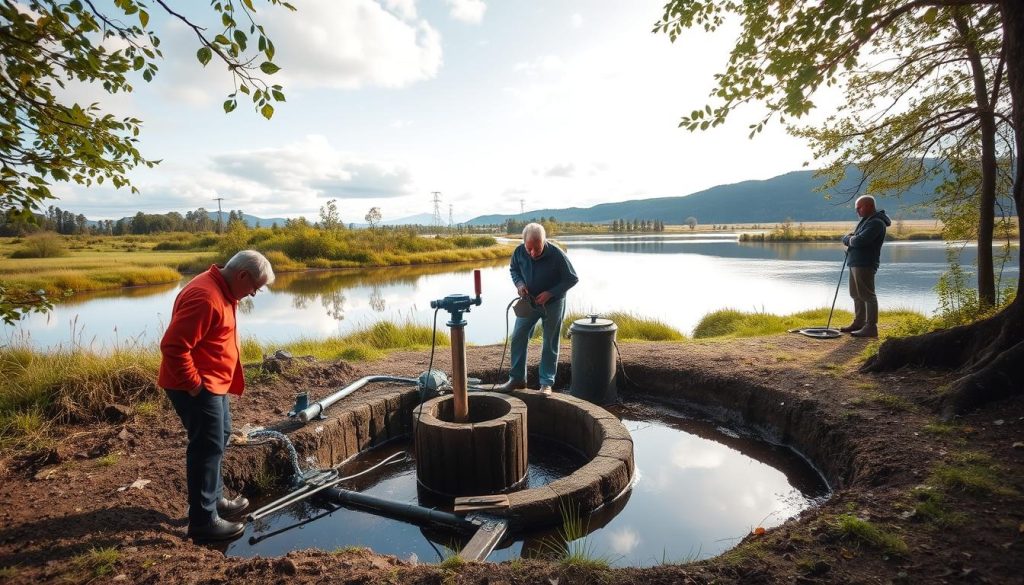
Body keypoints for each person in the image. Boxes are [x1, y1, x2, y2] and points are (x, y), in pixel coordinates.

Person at [159, 250, 275, 540]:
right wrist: (195, 385)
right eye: (255, 287)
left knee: (220, 436)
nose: (254, 294)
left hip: (213, 382)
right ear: (242, 276)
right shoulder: (205, 296)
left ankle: (215, 499)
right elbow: (173, 347)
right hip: (197, 385)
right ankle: (202, 521)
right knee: (206, 448)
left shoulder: (222, 289)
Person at [495, 223, 579, 395]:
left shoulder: (557, 254)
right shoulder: (519, 252)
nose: (533, 253)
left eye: (537, 248)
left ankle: (546, 383)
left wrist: (550, 293)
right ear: (524, 241)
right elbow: (514, 269)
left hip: (553, 304)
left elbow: (572, 278)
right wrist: (519, 284)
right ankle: (517, 379)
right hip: (529, 302)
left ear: (544, 241)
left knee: (549, 341)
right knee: (518, 336)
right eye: (529, 248)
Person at [841, 196, 891, 338]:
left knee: (867, 295)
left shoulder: (876, 223)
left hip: (865, 263)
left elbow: (859, 241)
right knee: (856, 294)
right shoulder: (867, 221)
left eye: (859, 208)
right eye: (856, 208)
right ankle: (859, 323)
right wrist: (851, 239)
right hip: (856, 262)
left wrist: (847, 239)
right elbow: (855, 238)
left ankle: (871, 327)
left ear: (869, 206)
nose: (857, 211)